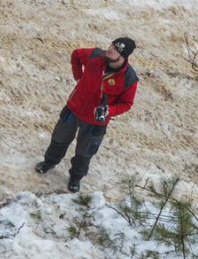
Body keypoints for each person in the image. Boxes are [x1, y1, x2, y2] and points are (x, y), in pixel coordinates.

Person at [35, 38, 139, 192]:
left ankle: (76, 177)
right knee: (59, 139)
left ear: (123, 56)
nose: (110, 49)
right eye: (112, 45)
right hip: (74, 108)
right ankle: (49, 162)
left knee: (85, 152)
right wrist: (78, 77)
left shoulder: (129, 78)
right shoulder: (95, 56)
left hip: (96, 121)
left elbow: (126, 104)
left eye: (116, 49)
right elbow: (76, 55)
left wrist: (109, 111)